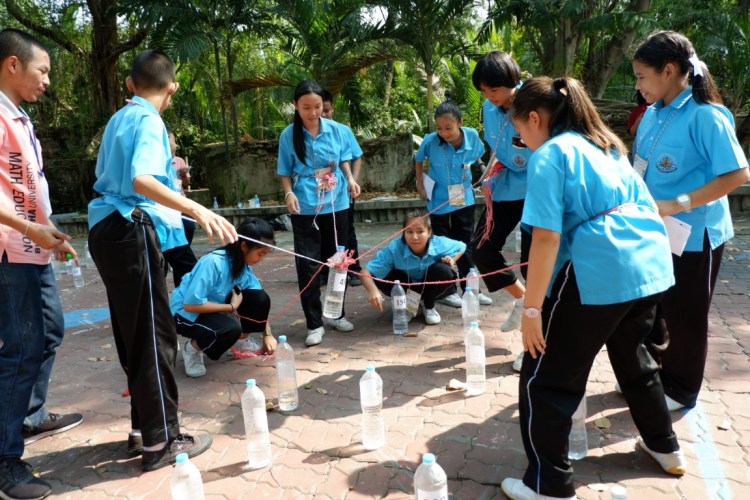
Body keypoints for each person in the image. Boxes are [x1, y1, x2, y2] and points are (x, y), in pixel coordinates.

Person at [501, 76, 686, 500]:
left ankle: (549, 485)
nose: (521, 142)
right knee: (634, 357)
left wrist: (532, 311)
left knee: (546, 377)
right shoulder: (607, 145)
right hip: (650, 264)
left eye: (519, 131)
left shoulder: (551, 155)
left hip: (602, 267)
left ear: (535, 118)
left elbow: (546, 238)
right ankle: (665, 447)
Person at [87, 49, 237, 472]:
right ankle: (162, 441)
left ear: (130, 84)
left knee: (133, 333)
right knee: (155, 335)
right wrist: (197, 209)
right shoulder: (149, 120)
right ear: (173, 87)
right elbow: (142, 179)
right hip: (129, 227)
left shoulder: (119, 117)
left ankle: (144, 428)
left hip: (105, 228)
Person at [632, 31, 750, 411]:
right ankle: (650, 372)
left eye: (642, 76)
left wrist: (676, 203)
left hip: (696, 234)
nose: (638, 86)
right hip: (657, 228)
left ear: (668, 71)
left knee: (686, 314)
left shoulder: (706, 116)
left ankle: (680, 388)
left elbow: (738, 174)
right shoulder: (652, 114)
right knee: (652, 303)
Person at [0, 28, 83, 500]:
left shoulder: (19, 117)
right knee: (21, 347)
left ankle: (29, 415)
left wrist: (48, 232)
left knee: (49, 331)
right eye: (43, 70)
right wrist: (30, 230)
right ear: (13, 64)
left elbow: (26, 187)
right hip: (9, 249)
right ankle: (4, 461)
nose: (48, 80)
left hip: (32, 244)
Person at [277, 80, 360, 347]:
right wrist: (289, 193)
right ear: (295, 106)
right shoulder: (288, 135)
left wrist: (350, 179)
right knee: (308, 264)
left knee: (339, 260)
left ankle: (336, 313)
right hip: (305, 206)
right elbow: (284, 171)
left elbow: (345, 159)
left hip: (336, 203)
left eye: (317, 107)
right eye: (306, 108)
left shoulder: (338, 130)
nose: (313, 113)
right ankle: (314, 323)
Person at [469, 50, 534, 372]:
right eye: (483, 91)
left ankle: (534, 348)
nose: (489, 97)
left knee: (537, 266)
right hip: (507, 185)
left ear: (513, 81)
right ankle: (522, 299)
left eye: (493, 89)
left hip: (539, 187)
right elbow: (498, 147)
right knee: (481, 249)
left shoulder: (536, 102)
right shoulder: (488, 108)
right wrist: (492, 168)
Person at [171, 217, 278, 377]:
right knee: (230, 329)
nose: (261, 259)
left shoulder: (243, 266)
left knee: (260, 298)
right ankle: (192, 349)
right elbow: (190, 305)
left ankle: (241, 341)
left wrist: (268, 335)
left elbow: (259, 300)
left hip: (212, 308)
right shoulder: (213, 262)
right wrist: (231, 307)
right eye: (260, 254)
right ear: (244, 246)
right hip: (185, 314)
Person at [414, 101, 491, 309]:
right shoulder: (431, 140)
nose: (444, 133)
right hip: (438, 199)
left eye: (448, 128)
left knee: (465, 243)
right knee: (441, 243)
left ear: (460, 123)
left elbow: (477, 155)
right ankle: (446, 291)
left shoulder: (472, 136)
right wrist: (420, 184)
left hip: (463, 198)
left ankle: (471, 289)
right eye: (440, 128)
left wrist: (482, 168)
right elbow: (419, 159)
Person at [360, 211, 465, 325]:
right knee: (380, 276)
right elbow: (366, 271)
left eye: (420, 232)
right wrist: (373, 291)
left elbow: (462, 247)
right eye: (409, 232)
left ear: (429, 232)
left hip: (429, 285)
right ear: (403, 232)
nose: (414, 237)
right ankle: (411, 305)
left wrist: (452, 259)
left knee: (444, 270)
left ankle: (428, 306)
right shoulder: (395, 248)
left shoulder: (439, 243)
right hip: (407, 285)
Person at [321, 89, 364, 286]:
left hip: (342, 192)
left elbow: (356, 156)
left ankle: (353, 269)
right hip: (319, 194)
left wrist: (352, 181)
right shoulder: (303, 134)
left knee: (346, 231)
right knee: (324, 232)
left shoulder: (342, 130)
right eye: (320, 110)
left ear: (332, 108)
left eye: (326, 110)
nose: (323, 115)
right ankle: (324, 270)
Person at [162, 127, 197, 287]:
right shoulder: (155, 165)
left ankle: (181, 292)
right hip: (164, 223)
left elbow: (184, 185)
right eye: (173, 140)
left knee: (186, 268)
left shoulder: (174, 163)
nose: (175, 145)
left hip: (177, 220)